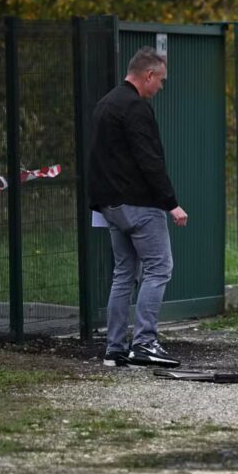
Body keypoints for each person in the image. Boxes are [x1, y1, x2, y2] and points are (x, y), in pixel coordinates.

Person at [88, 46, 188, 368]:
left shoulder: (105, 104)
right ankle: (145, 343)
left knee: (123, 273)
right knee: (160, 268)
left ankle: (114, 349)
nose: (160, 87)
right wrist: (171, 203)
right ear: (148, 75)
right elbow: (150, 160)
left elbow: (98, 158)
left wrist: (101, 203)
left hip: (111, 205)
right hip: (140, 205)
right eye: (160, 80)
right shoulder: (136, 108)